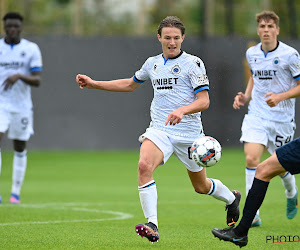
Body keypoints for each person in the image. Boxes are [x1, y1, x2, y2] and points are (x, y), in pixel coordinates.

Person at [76, 16, 241, 243]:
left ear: (183, 38)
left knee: (201, 187)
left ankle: (231, 199)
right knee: (144, 165)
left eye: (176, 38)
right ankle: (152, 224)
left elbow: (204, 101)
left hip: (190, 135)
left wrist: (183, 110)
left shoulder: (193, 63)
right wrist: (95, 83)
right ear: (159, 38)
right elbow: (130, 84)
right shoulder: (152, 63)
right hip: (160, 130)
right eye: (167, 38)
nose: (171, 42)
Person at [233, 10, 300, 226]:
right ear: (258, 30)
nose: (266, 30)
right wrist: (246, 96)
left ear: (277, 30)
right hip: (257, 115)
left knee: (280, 167)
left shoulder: (290, 55)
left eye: (270, 26)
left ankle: (292, 193)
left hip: (282, 119)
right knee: (252, 158)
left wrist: (281, 97)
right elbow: (254, 77)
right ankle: (254, 214)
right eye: (262, 26)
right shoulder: (251, 53)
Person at [211, 137, 300, 247]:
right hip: (257, 120)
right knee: (261, 166)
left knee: (270, 169)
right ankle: (243, 228)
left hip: (282, 123)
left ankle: (291, 191)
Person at [0, 12, 43, 204]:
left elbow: (37, 80)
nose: (12, 30)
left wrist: (19, 75)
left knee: (19, 146)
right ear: (4, 27)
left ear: (21, 27)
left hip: (22, 106)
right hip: (1, 103)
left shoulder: (31, 49)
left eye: (16, 26)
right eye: (9, 26)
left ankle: (15, 193)